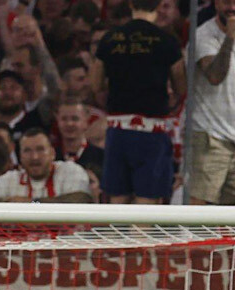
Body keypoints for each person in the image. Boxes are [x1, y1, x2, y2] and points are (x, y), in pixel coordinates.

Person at [92, 0, 185, 204]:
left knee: (117, 201)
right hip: (152, 133)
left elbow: (96, 84)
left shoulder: (110, 39)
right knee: (147, 203)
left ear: (131, 3)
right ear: (159, 4)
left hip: (118, 130)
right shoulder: (167, 41)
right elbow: (181, 87)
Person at [0, 128, 92, 202]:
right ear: (20, 156)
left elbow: (82, 199)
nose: (34, 157)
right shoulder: (13, 179)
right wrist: (5, 207)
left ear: (52, 153)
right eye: (27, 151)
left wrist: (32, 204)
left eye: (40, 150)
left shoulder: (69, 170)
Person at [189, 0, 235, 205]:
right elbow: (215, 76)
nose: (232, 7)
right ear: (215, 3)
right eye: (226, 1)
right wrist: (229, 39)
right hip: (210, 137)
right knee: (200, 209)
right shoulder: (202, 36)